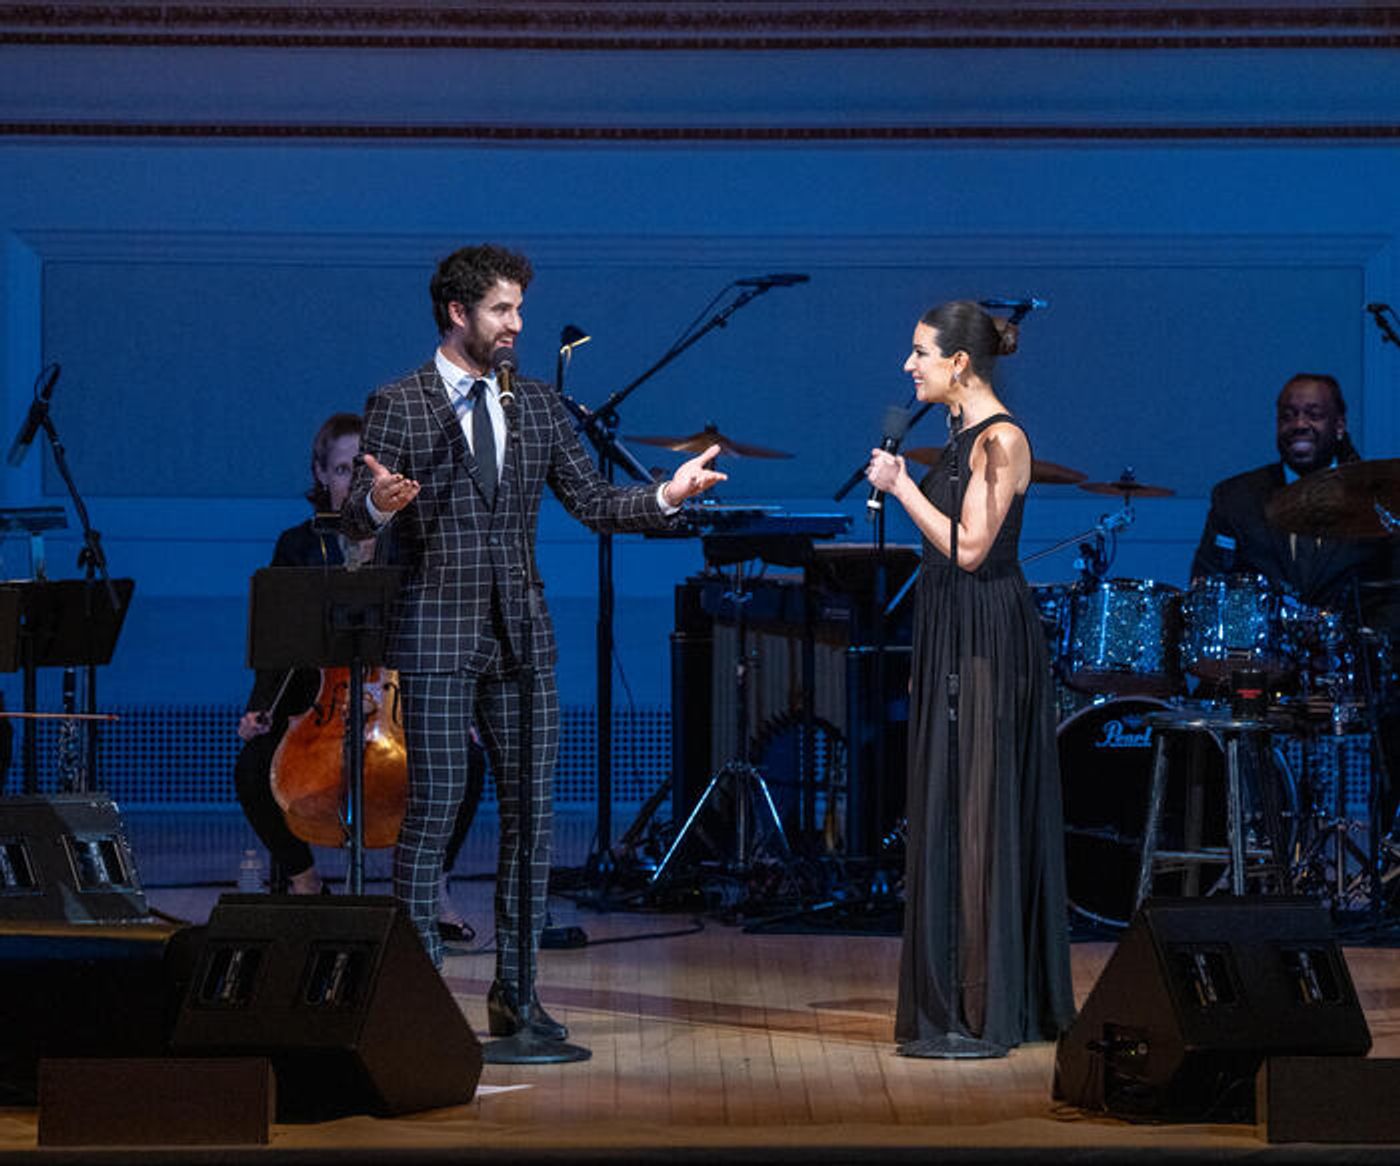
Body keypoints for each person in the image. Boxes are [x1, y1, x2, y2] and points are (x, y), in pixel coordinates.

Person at [340, 243, 725, 1041]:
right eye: (502, 309)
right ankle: (413, 1005)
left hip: (521, 636)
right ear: (458, 312)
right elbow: (352, 520)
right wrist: (378, 505)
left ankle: (517, 995)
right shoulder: (401, 402)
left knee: (531, 815)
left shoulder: (538, 405)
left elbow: (593, 502)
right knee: (435, 809)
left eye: (520, 308)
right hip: (437, 633)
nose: (517, 323)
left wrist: (666, 493)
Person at [865, 300, 1074, 1055]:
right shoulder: (959, 437)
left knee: (981, 811)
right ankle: (959, 994)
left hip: (987, 632)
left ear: (959, 363)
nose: (908, 365)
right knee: (951, 805)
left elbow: (973, 548)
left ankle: (984, 1006)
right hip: (952, 628)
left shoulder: (1002, 438)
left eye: (921, 352)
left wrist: (902, 488)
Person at [235, 413, 481, 938]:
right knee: (254, 766)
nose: (357, 482)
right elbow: (279, 644)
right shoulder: (298, 545)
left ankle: (432, 887)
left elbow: (445, 633)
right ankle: (305, 883)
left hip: (400, 702)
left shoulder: (414, 541)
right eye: (345, 469)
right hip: (317, 705)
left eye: (367, 470)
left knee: (468, 758)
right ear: (322, 474)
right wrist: (261, 707)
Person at [1190, 373, 1391, 609]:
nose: (1299, 425)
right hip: (1263, 632)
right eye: (1288, 416)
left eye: (1314, 415)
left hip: (1352, 632)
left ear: (1339, 426)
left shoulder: (1377, 499)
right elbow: (1206, 588)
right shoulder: (1236, 498)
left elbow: (1393, 596)